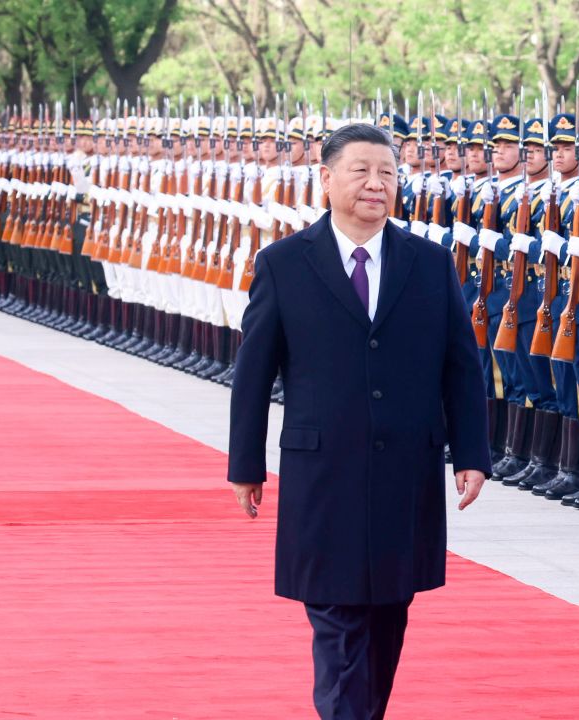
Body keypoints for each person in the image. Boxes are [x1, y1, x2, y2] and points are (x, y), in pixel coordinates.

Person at [227, 122, 491, 720]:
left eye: (388, 174)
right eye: (361, 171)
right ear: (326, 179)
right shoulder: (285, 264)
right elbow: (253, 373)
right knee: (339, 624)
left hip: (406, 473)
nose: (376, 185)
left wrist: (472, 454)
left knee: (388, 620)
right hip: (323, 475)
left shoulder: (429, 264)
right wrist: (246, 465)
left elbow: (460, 366)